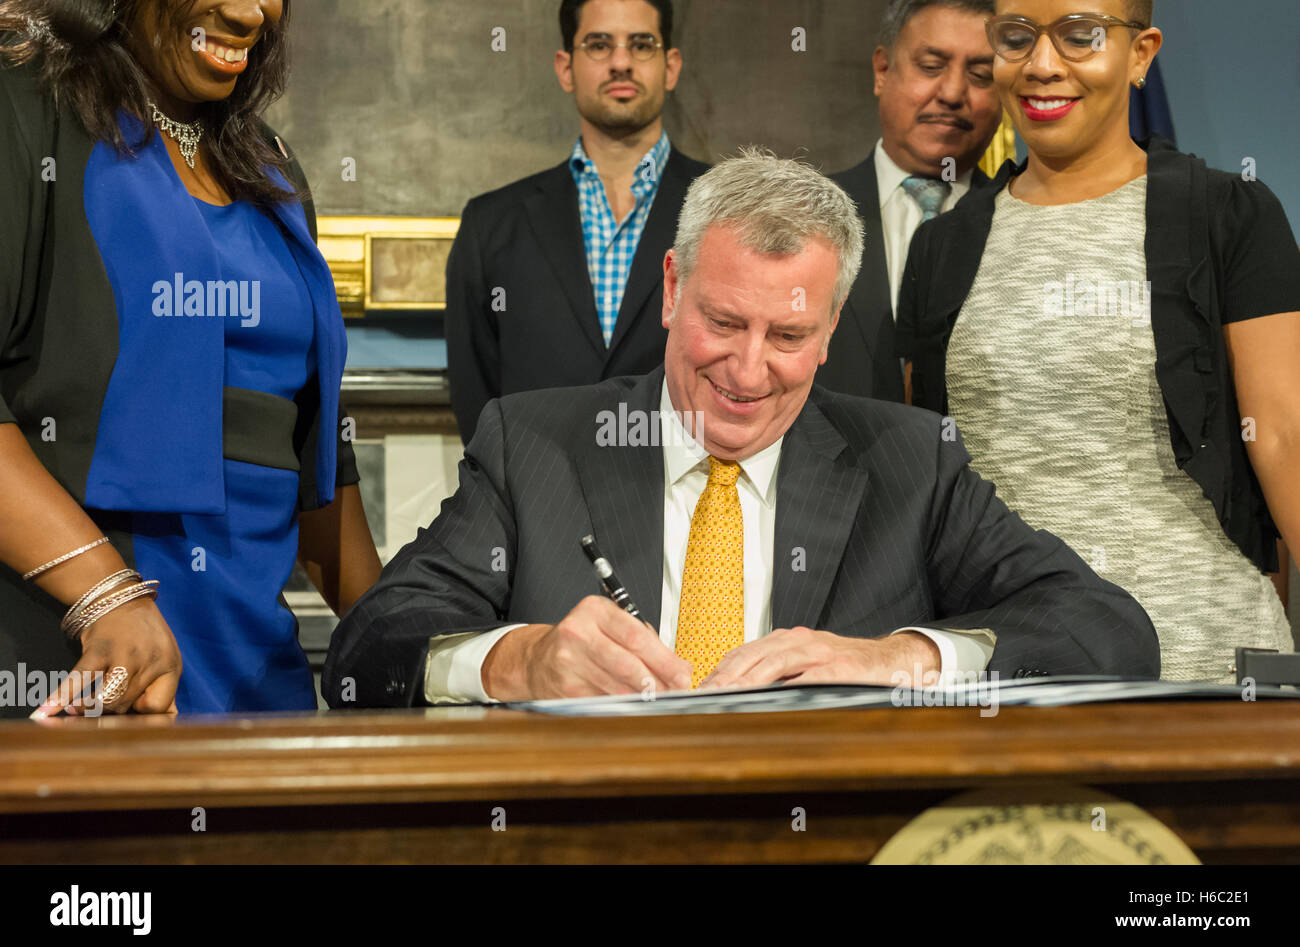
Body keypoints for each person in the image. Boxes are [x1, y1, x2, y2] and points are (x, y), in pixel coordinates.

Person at [324, 149, 1158, 708]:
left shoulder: (912, 464)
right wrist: (517, 661)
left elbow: (1112, 631)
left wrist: (902, 659)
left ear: (831, 330)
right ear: (673, 285)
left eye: (789, 336)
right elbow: (368, 647)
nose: (749, 370)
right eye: (723, 321)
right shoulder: (533, 443)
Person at [896, 0, 1300, 682]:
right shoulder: (942, 246)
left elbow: (1284, 436)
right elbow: (919, 479)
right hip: (1007, 669)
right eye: (1018, 37)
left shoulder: (1229, 216)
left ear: (1141, 54)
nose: (1043, 65)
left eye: (1080, 36)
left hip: (1202, 663)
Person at [0, 0, 381, 719]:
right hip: (93, 667)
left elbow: (309, 454)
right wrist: (105, 590)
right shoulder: (27, 102)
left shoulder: (270, 165)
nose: (248, 12)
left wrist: (406, 633)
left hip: (260, 680)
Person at [445, 0, 709, 444]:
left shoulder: (728, 213)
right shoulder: (490, 226)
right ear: (566, 68)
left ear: (671, 66)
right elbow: (479, 405)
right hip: (535, 503)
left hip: (690, 500)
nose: (621, 62)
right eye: (599, 45)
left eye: (642, 45)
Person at [819, 0, 1004, 403]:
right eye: (931, 66)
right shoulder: (803, 215)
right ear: (883, 71)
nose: (953, 92)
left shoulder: (1020, 224)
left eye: (980, 74)